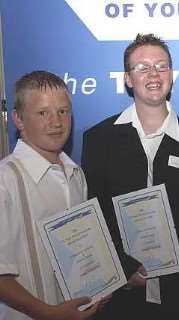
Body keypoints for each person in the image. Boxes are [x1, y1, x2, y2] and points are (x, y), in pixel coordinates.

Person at [81, 33, 179, 320]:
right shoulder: (99, 139)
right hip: (120, 292)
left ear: (171, 74)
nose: (153, 74)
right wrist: (123, 267)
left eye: (161, 65)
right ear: (128, 79)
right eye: (142, 67)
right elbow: (93, 214)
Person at [0, 71, 101, 319]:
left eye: (63, 111)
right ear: (18, 120)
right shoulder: (6, 180)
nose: (56, 122)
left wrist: (99, 284)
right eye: (42, 113)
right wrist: (47, 313)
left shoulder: (76, 175)